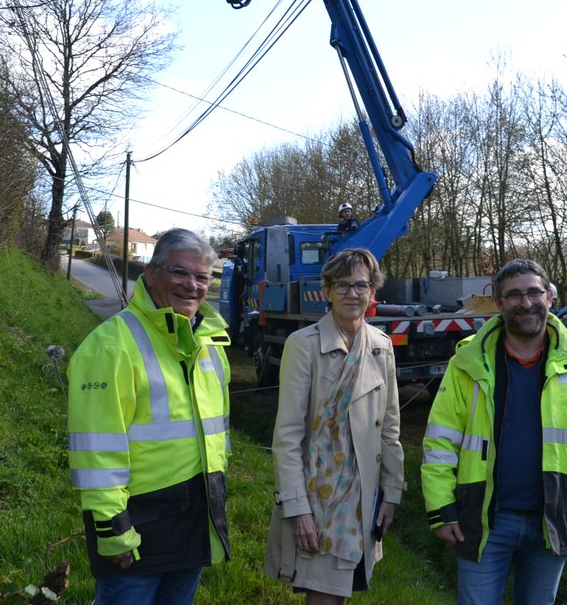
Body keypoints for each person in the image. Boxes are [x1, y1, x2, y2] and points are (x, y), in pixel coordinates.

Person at [422, 259, 567, 605]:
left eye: (533, 292)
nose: (526, 303)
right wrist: (441, 508)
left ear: (550, 297)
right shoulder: (467, 363)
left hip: (554, 518)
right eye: (513, 295)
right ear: (498, 303)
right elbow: (440, 442)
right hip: (484, 520)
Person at [67, 228, 231, 605]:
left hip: (194, 519)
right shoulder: (111, 345)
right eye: (180, 272)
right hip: (137, 526)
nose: (192, 285)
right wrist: (112, 530)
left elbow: (216, 435)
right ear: (152, 272)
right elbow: (96, 451)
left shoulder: (211, 344)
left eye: (202, 276)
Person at [265, 248, 405, 604]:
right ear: (326, 291)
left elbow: (389, 428)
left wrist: (391, 491)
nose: (352, 294)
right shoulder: (303, 345)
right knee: (324, 597)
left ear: (373, 292)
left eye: (361, 285)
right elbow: (288, 436)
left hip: (363, 499)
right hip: (319, 497)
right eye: (342, 285)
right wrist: (297, 509)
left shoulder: (381, 346)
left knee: (340, 595)